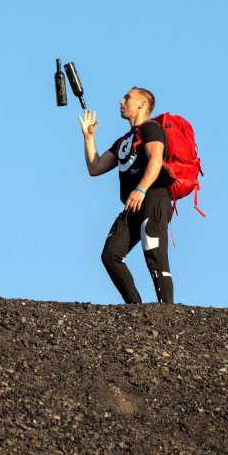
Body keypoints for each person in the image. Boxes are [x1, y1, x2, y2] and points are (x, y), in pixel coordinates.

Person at [79, 87, 174, 304]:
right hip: (133, 204)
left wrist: (141, 189)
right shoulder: (123, 140)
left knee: (154, 253)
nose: (121, 101)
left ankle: (168, 313)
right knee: (110, 255)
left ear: (142, 104)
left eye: (127, 98)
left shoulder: (151, 128)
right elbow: (95, 167)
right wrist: (89, 137)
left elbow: (156, 159)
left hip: (153, 198)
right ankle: (135, 309)